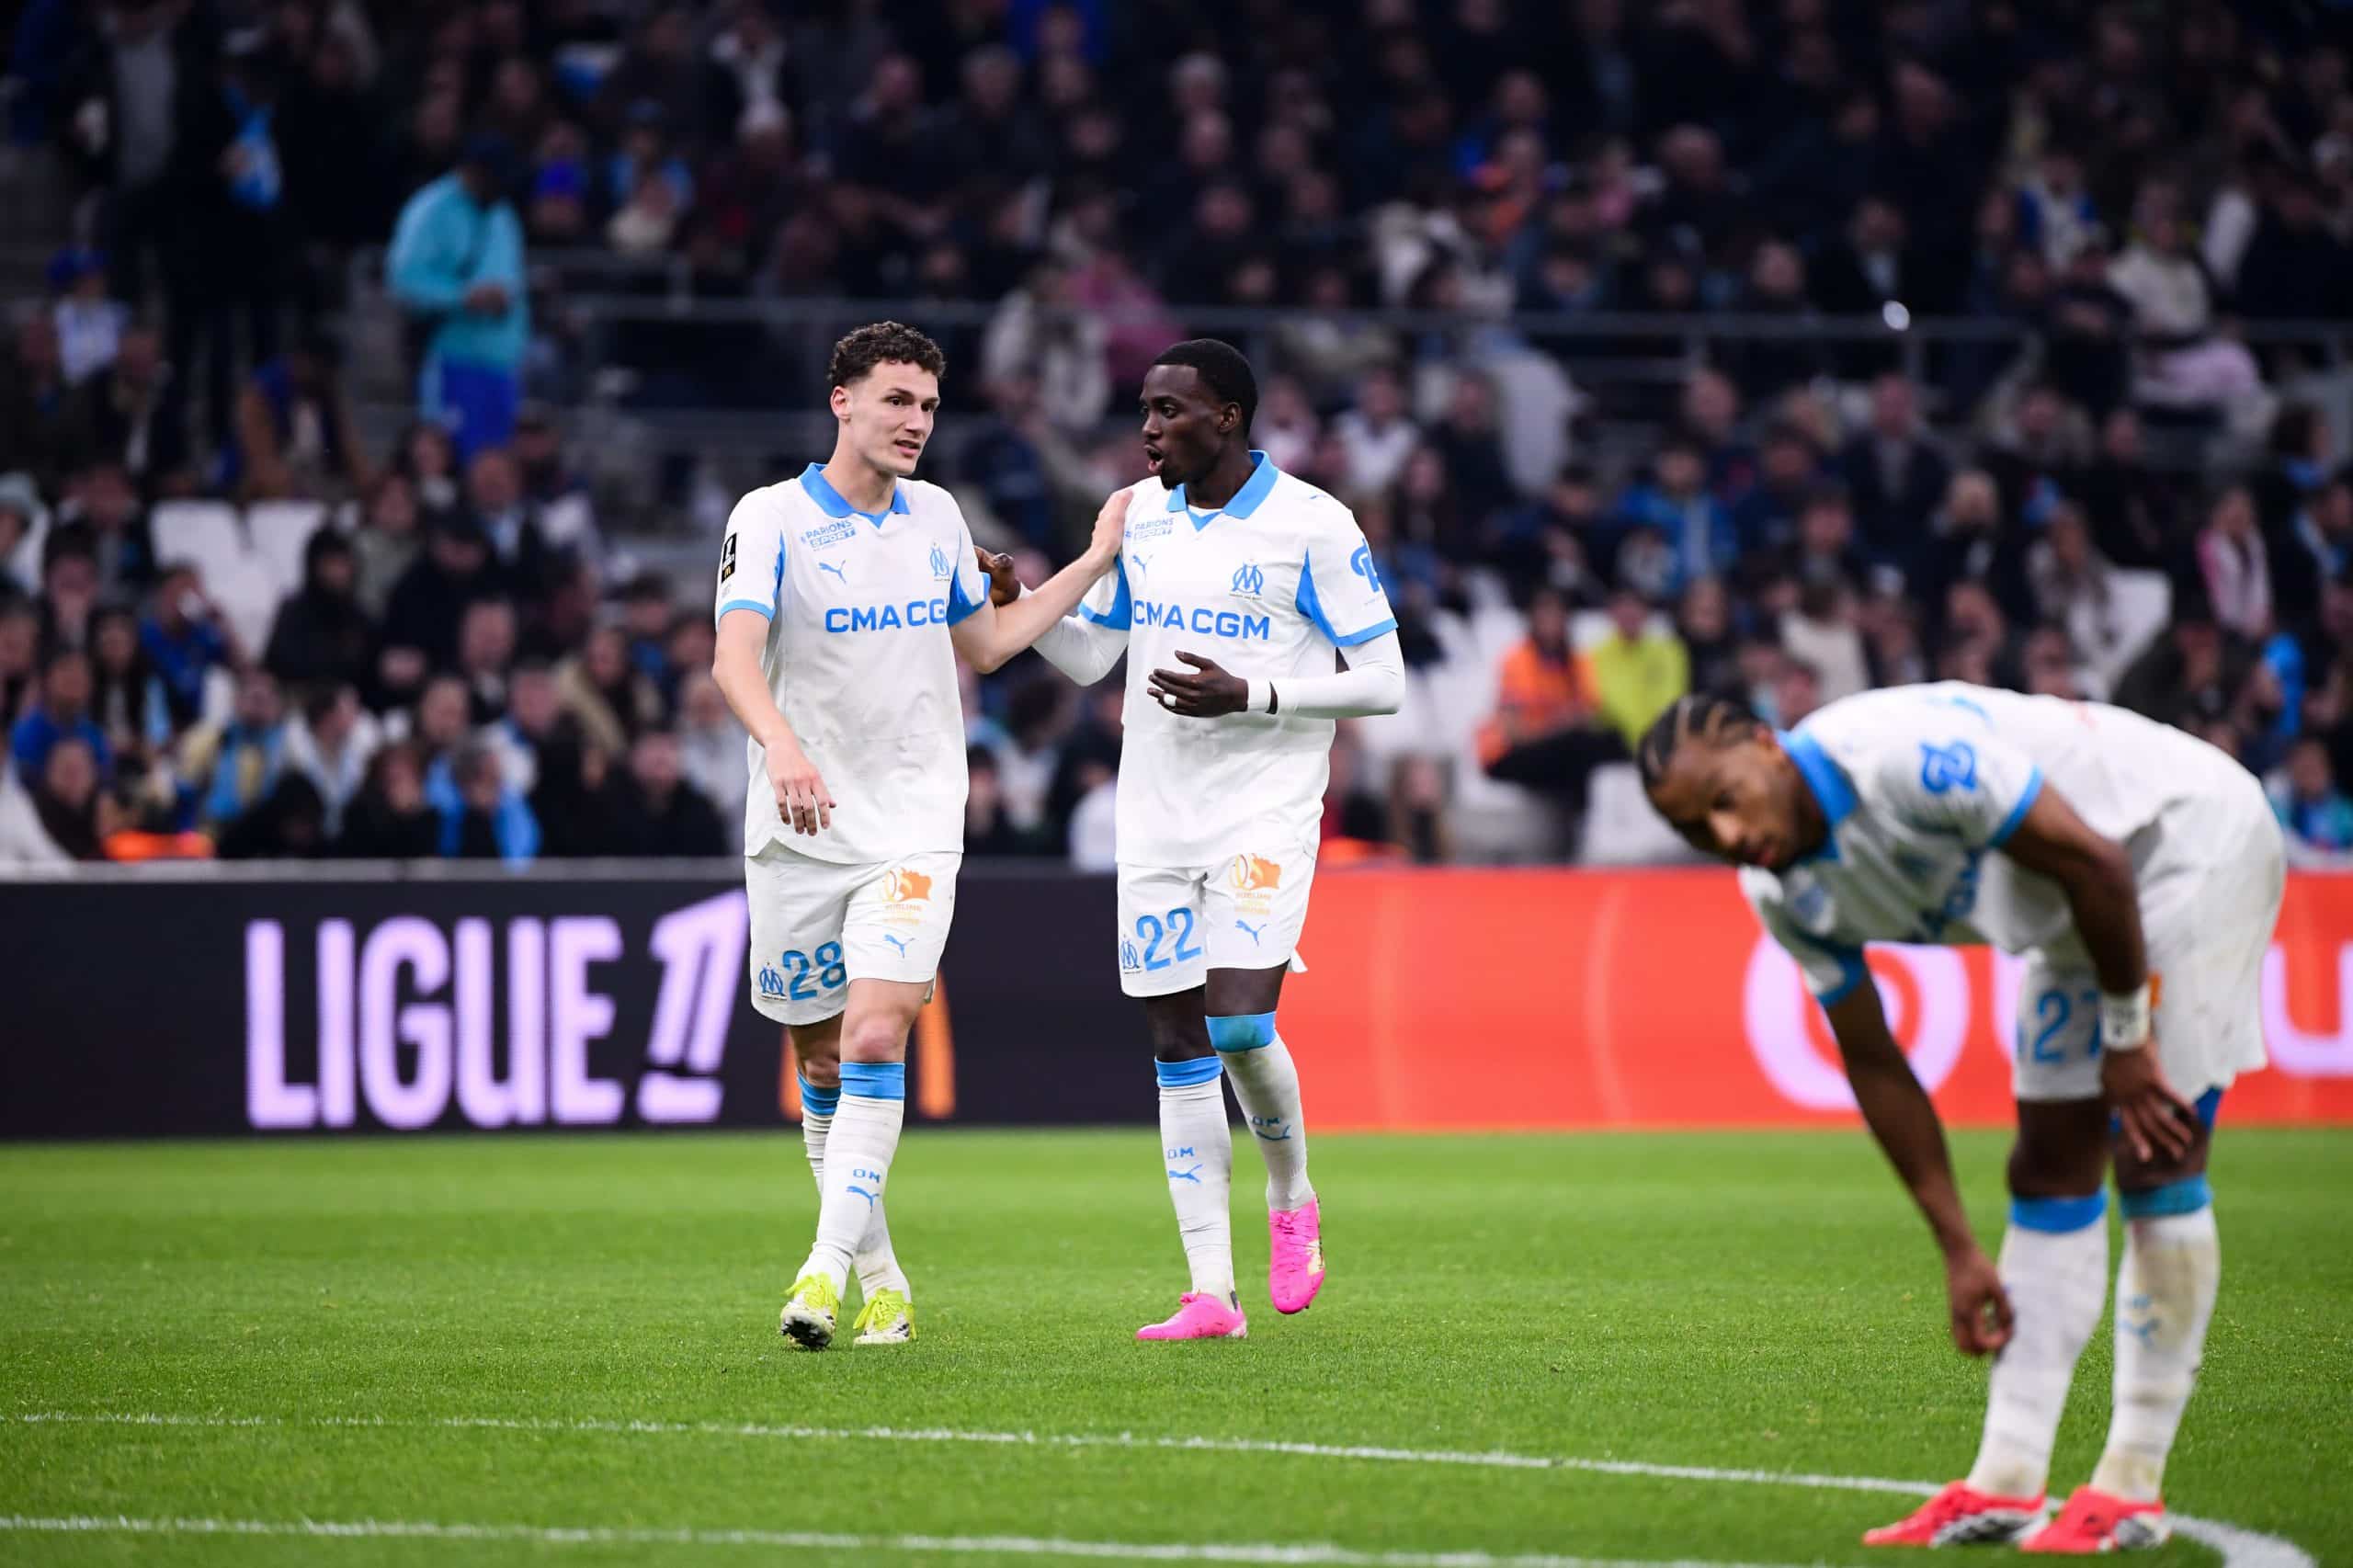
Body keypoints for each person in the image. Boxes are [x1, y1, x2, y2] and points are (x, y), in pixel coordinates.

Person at [1637, 686, 2285, 1551]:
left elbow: (2097, 861)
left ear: (1766, 744)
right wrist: (1956, 1246)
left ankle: (2131, 1482)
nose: (1725, 838)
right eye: (1693, 833)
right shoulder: (1779, 891)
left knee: (2153, 1154)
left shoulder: (1906, 758)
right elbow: (1874, 1061)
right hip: (2073, 917)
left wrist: (2128, 1040)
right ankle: (2008, 1481)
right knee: (2047, 1170)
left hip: (2183, 847)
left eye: (1723, 801)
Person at [710, 323, 1122, 1351]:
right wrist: (783, 746)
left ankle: (817, 1271)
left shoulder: (937, 515)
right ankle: (882, 1274)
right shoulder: (768, 520)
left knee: (876, 1033)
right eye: (897, 400)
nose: (916, 423)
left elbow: (985, 644)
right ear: (841, 399)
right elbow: (732, 658)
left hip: (913, 826)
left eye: (930, 407)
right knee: (818, 1065)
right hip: (799, 827)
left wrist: (1091, 560)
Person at [1001, 339, 1404, 1342]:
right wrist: (1021, 603)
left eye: (1168, 409)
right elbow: (1094, 655)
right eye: (1142, 407)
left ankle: (1291, 1194)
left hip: (1262, 806)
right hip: (1155, 813)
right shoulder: (1140, 520)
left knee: (1235, 1025)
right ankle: (1210, 1292)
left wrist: (1255, 693)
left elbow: (1384, 677)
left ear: (1227, 415)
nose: (1147, 427)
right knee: (1176, 1041)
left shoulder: (1310, 523)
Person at [386, 134, 529, 459]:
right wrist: (464, 296)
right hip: (452, 358)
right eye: (495, 177)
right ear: (473, 171)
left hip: (503, 364)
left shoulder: (503, 213)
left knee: (497, 461)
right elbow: (403, 279)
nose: (502, 186)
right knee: (448, 457)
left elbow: (513, 278)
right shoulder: (431, 209)